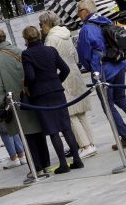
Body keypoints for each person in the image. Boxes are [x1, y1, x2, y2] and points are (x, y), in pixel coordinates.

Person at [78, 8, 126, 146]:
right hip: (119, 64)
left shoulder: (86, 29)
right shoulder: (106, 21)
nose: (78, 16)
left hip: (103, 70)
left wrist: (92, 70)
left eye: (78, 11)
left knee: (108, 105)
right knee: (121, 98)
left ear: (84, 11)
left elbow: (84, 55)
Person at [20, 25, 82, 174]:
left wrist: (28, 86)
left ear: (26, 39)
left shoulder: (27, 54)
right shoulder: (50, 50)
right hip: (57, 91)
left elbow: (31, 76)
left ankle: (63, 164)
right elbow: (65, 69)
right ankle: (77, 159)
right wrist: (56, 81)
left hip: (41, 95)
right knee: (66, 126)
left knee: (53, 129)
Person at [40, 11, 97, 159]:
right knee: (81, 111)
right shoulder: (66, 34)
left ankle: (84, 145)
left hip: (62, 75)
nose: (41, 28)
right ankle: (91, 143)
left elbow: (50, 60)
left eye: (41, 24)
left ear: (47, 24)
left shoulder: (51, 39)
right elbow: (75, 55)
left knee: (69, 114)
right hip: (74, 72)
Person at [0, 27, 28, 167]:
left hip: (10, 100)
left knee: (14, 129)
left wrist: (0, 105)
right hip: (26, 97)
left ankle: (28, 162)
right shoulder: (18, 50)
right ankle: (34, 159)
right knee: (30, 132)